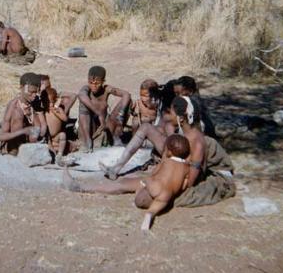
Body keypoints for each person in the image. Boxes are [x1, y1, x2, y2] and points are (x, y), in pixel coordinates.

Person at [102, 95, 236, 208]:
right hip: (175, 168)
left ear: (181, 118)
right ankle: (86, 185)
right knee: (126, 183)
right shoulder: (183, 131)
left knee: (141, 197)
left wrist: (165, 180)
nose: (167, 115)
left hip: (178, 180)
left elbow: (190, 182)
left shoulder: (197, 142)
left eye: (171, 112)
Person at [62, 134, 191, 231]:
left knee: (124, 183)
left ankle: (80, 186)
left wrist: (148, 181)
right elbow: (185, 184)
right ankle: (150, 215)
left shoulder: (166, 161)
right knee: (150, 204)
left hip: (153, 188)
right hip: (166, 197)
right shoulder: (186, 167)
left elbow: (155, 175)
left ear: (168, 151)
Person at [99, 80, 177, 179]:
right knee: (144, 127)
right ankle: (115, 169)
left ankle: (116, 169)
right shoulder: (166, 106)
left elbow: (173, 140)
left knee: (145, 128)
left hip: (171, 153)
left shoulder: (172, 113)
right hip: (167, 146)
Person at [0, 72, 47, 155]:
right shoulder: (14, 107)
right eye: (31, 92)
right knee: (18, 116)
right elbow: (2, 136)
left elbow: (42, 128)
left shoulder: (34, 104)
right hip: (13, 149)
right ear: (21, 88)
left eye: (36, 92)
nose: (34, 95)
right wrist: (23, 131)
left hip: (30, 148)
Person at [77, 66, 131, 151]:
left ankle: (116, 136)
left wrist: (121, 116)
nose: (94, 86)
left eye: (97, 83)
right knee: (84, 103)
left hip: (105, 127)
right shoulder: (86, 89)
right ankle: (88, 141)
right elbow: (81, 96)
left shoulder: (106, 89)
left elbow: (126, 95)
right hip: (90, 128)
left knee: (128, 102)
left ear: (103, 81)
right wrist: (98, 113)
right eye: (91, 82)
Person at [174, 76, 218, 140]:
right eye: (176, 93)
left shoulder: (194, 103)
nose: (177, 96)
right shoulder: (190, 99)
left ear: (190, 91)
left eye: (179, 93)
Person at [44, 86, 79, 165]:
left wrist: (56, 112)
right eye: (47, 102)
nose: (49, 105)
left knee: (63, 135)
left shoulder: (59, 109)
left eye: (51, 102)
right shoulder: (44, 111)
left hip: (56, 136)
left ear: (55, 101)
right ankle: (52, 151)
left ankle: (60, 154)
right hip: (47, 137)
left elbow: (65, 119)